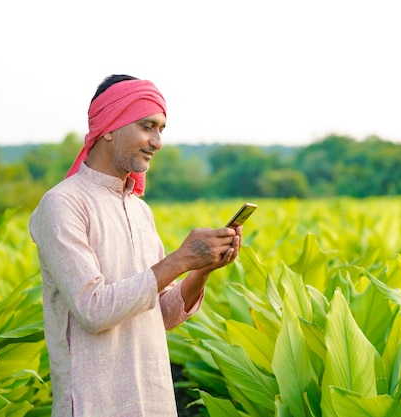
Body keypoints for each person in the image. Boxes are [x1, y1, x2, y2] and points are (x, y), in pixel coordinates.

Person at [29, 74, 242, 416]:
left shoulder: (139, 210)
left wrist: (200, 269)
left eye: (161, 129)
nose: (157, 141)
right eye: (147, 126)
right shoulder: (63, 204)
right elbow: (93, 310)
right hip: (94, 404)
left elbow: (164, 315)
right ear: (109, 127)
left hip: (152, 400)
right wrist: (179, 259)